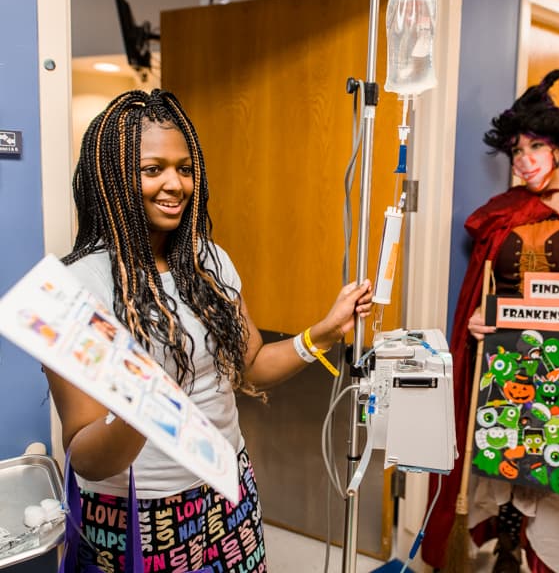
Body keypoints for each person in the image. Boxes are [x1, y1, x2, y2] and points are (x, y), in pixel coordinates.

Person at [44, 89, 373, 572]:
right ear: (111, 179)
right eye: (152, 169)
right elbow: (88, 459)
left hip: (227, 485)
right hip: (139, 511)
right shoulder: (77, 288)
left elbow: (252, 368)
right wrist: (144, 400)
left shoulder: (209, 261)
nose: (175, 184)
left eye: (184, 167)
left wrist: (320, 334)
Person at [421, 70, 559, 573]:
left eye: (536, 147)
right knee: (499, 473)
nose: (524, 160)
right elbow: (484, 291)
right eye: (516, 150)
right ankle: (501, 557)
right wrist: (477, 322)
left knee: (550, 487)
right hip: (504, 370)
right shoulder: (504, 212)